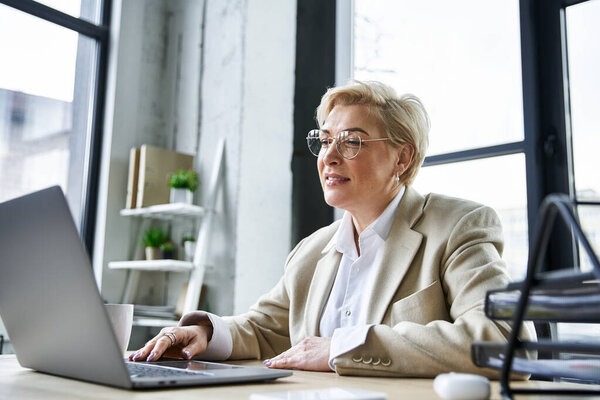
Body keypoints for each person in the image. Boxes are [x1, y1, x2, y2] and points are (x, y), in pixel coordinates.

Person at [130, 80, 535, 377]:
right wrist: (204, 332)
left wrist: (342, 348)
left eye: (352, 142)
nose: (330, 157)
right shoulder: (312, 250)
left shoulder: (458, 226)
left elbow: (505, 341)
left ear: (402, 158)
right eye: (324, 141)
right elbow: (263, 329)